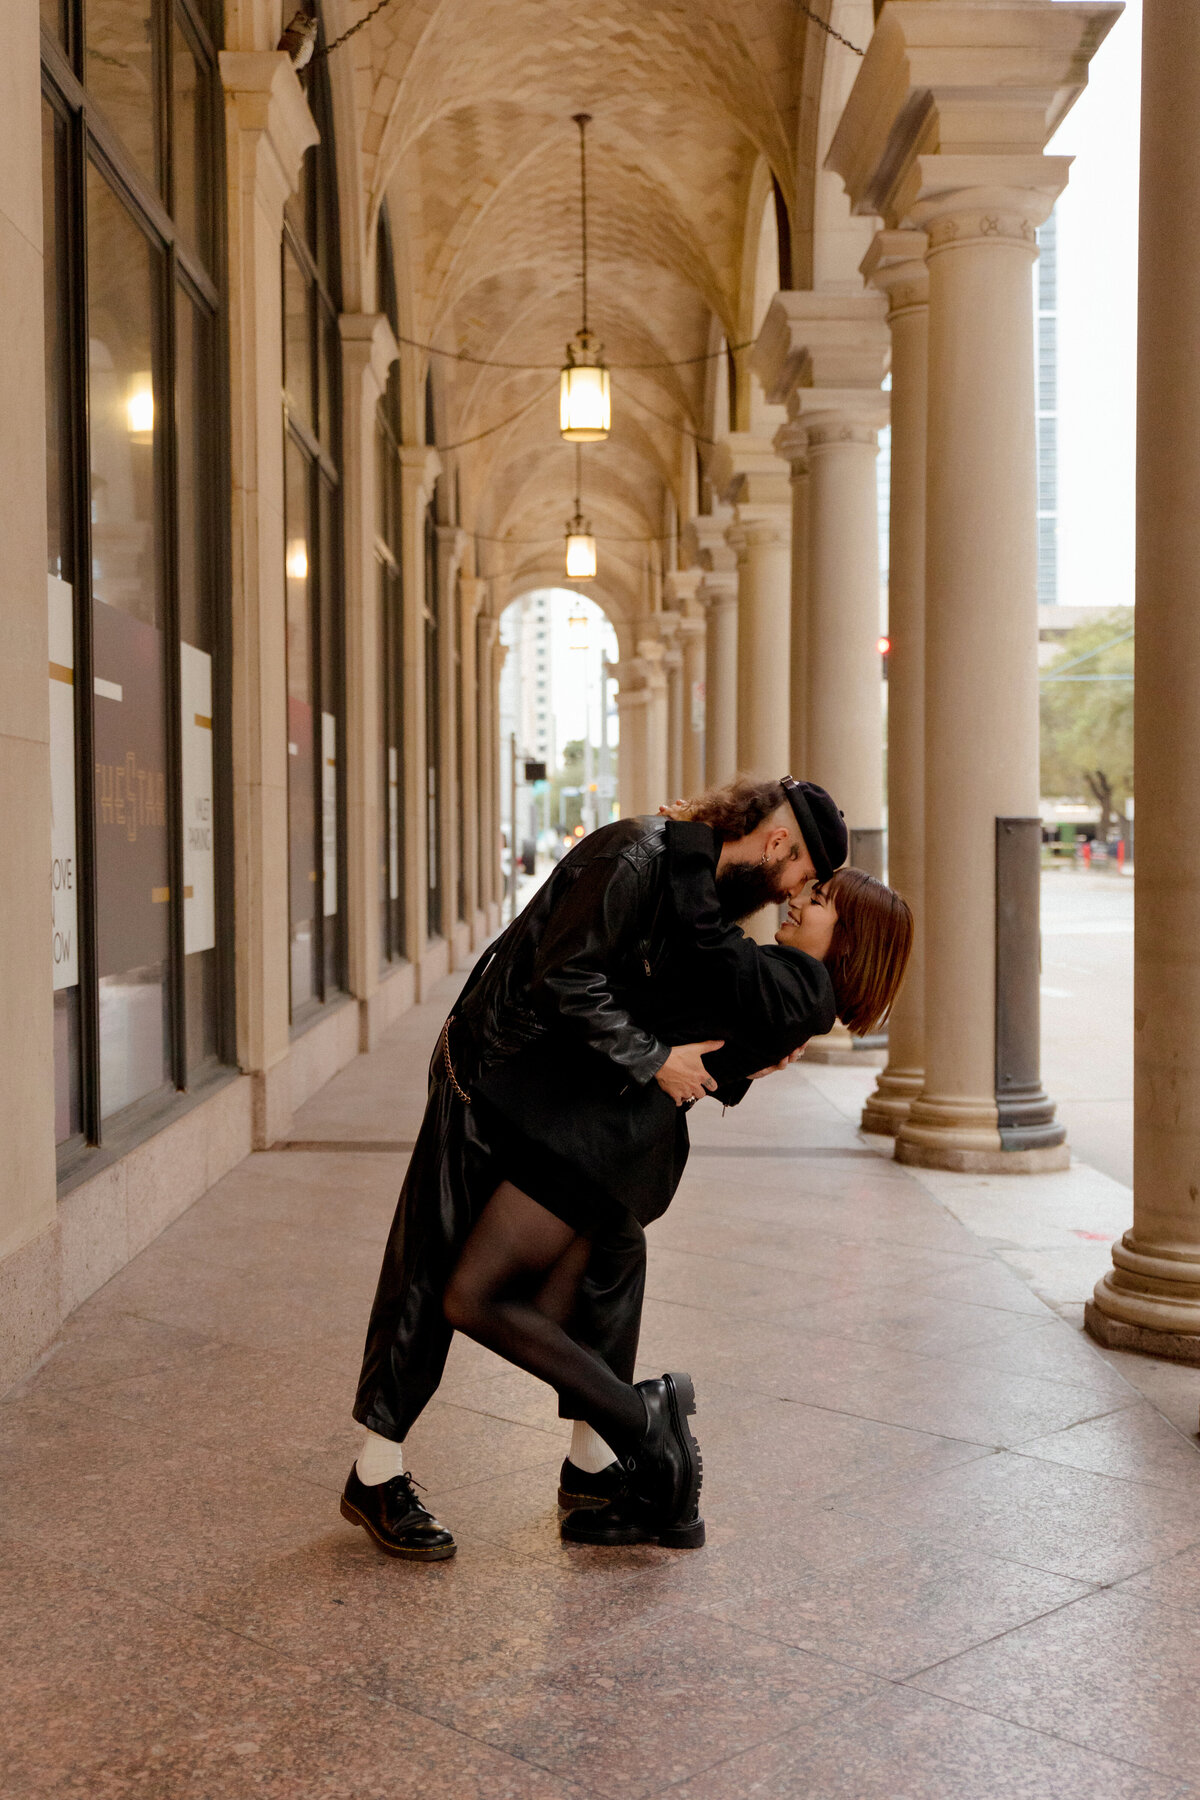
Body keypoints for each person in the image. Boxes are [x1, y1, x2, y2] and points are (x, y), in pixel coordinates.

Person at [340, 778, 905, 1556]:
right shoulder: (642, 857)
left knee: (592, 1275)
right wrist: (662, 1060)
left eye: (813, 895)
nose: (795, 898)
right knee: (433, 1266)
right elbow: (570, 980)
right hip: (497, 1075)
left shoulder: (709, 892)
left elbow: (695, 999)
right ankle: (385, 1469)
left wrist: (725, 1061)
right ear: (779, 844)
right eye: (803, 880)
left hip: (585, 1116)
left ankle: (607, 1455)